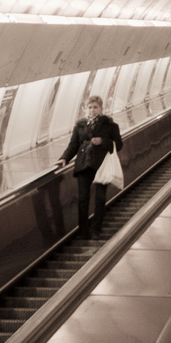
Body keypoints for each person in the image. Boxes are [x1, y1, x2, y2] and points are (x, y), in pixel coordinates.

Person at [58, 96, 125, 238]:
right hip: (83, 165)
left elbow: (118, 145)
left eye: (95, 107)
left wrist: (103, 141)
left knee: (100, 199)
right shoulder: (80, 126)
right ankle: (83, 230)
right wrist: (64, 158)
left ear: (101, 109)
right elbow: (73, 146)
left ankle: (95, 229)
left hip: (101, 166)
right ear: (85, 109)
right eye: (89, 107)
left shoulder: (110, 125)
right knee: (83, 198)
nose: (92, 110)